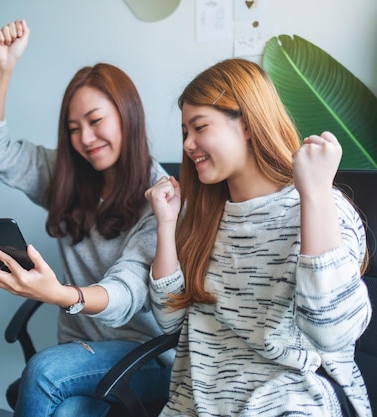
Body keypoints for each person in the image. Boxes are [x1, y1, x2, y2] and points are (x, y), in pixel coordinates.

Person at [145, 58, 372, 416]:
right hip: (198, 405)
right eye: (184, 132)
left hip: (291, 403)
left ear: (249, 124)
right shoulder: (205, 216)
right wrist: (165, 224)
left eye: (200, 127)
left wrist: (315, 196)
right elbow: (169, 319)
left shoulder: (320, 205)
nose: (188, 144)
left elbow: (332, 333)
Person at [0, 20, 173, 417]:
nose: (85, 139)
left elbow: (126, 295)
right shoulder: (67, 177)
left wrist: (60, 294)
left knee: (44, 371)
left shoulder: (159, 198)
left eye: (96, 121)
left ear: (127, 115)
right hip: (78, 351)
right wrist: (3, 67)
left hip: (143, 356)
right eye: (73, 128)